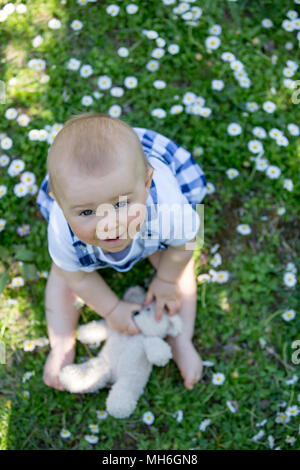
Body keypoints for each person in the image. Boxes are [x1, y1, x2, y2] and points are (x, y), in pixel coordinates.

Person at [36, 112, 207, 392]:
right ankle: (61, 343)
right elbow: (77, 277)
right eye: (87, 212)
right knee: (63, 276)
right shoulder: (61, 228)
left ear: (146, 183)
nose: (108, 223)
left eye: (122, 204)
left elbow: (188, 240)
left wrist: (165, 280)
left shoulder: (167, 207)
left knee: (179, 269)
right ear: (60, 204)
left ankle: (181, 338)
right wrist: (111, 309)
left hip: (151, 228)